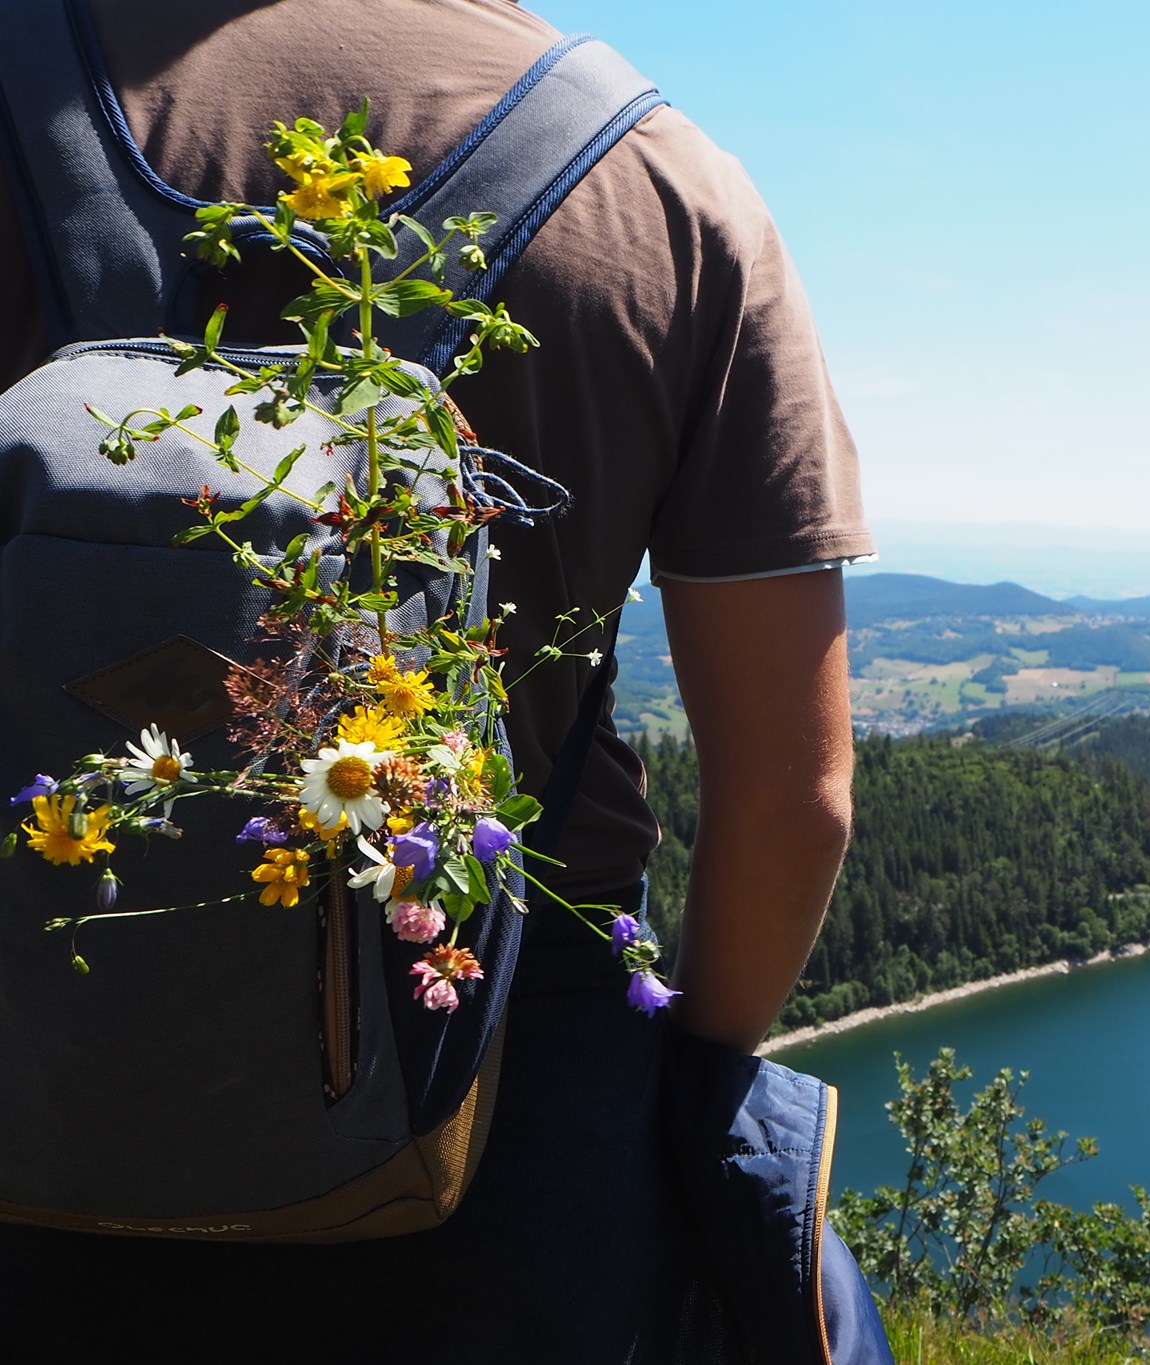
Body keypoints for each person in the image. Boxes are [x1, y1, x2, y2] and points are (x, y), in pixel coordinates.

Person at [0, 0, 874, 1359]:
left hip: (32, 1054)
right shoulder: (662, 185)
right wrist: (675, 1096)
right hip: (503, 1123)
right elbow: (795, 797)